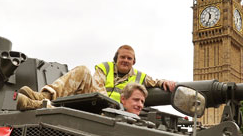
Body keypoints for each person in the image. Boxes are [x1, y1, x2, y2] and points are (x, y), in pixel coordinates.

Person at [16, 45, 176, 110]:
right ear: (116, 59)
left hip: (114, 112)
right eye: (123, 57)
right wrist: (109, 106)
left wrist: (165, 82)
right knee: (82, 70)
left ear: (134, 61)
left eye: (129, 59)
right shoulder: (104, 68)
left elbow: (156, 82)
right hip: (99, 102)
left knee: (69, 111)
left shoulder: (140, 76)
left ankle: (34, 104)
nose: (126, 61)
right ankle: (43, 96)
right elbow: (98, 88)